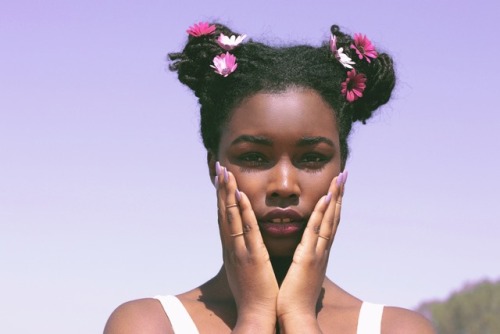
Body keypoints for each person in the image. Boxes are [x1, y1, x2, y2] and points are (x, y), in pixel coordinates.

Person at [104, 22, 435, 333]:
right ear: (213, 167)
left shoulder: (396, 328)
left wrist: (301, 318)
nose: (285, 186)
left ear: (341, 169)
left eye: (313, 158)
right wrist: (254, 316)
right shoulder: (149, 324)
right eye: (253, 157)